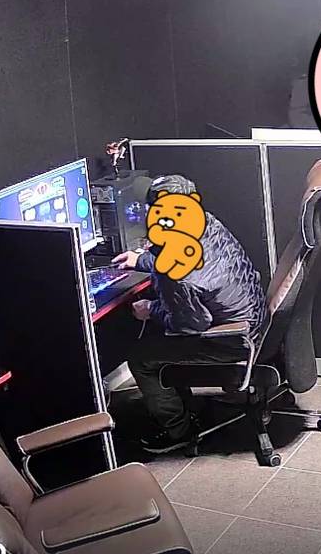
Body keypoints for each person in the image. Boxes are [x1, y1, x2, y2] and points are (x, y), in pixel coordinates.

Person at [113, 175, 267, 454]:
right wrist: (141, 260)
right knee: (159, 336)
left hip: (231, 340)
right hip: (255, 316)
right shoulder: (207, 222)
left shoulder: (176, 274)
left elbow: (191, 325)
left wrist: (151, 309)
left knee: (141, 358)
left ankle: (178, 431)